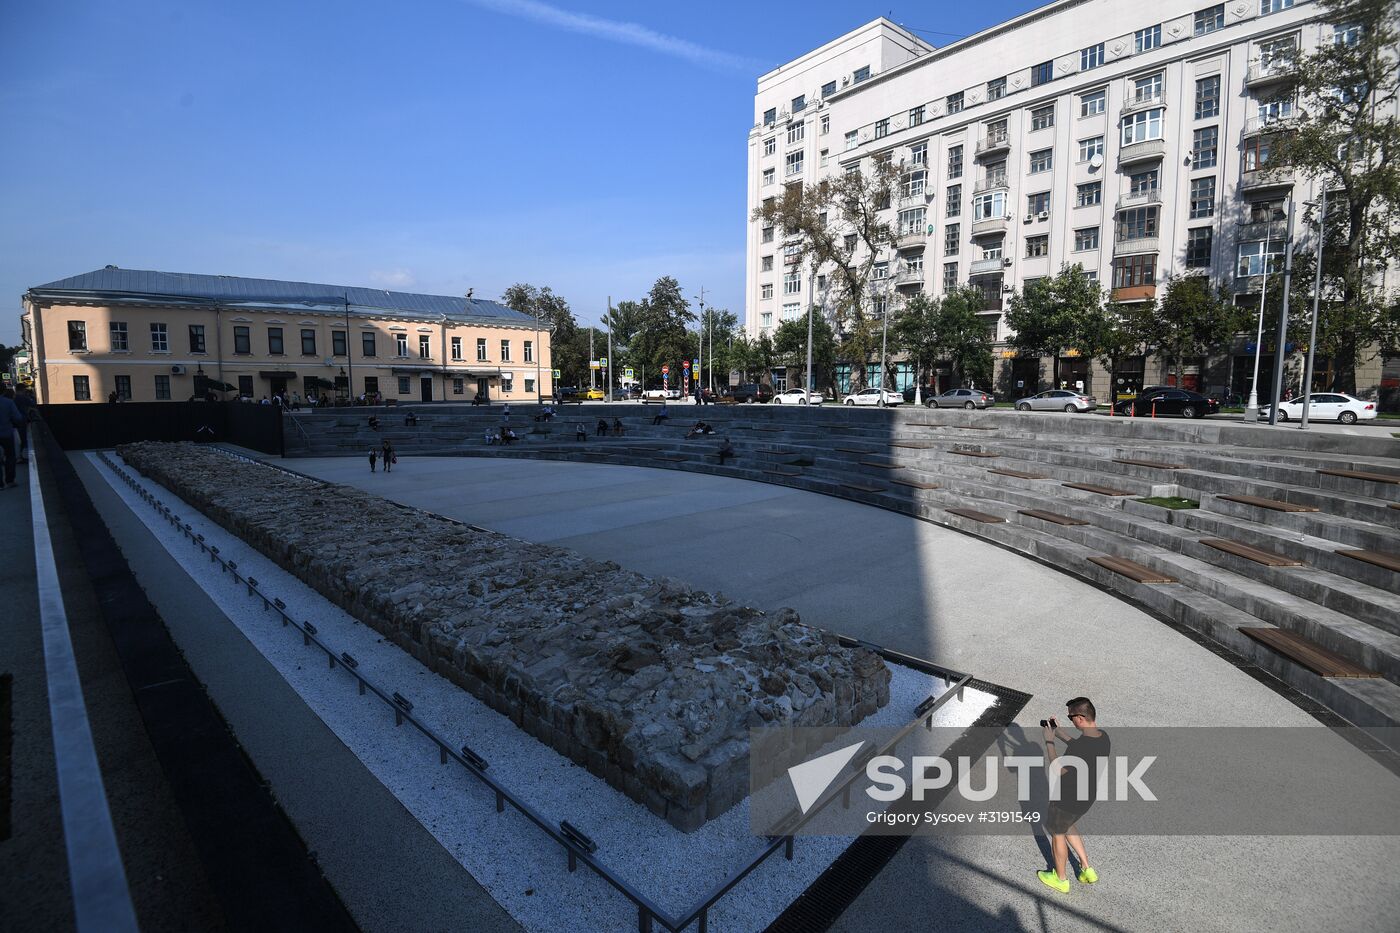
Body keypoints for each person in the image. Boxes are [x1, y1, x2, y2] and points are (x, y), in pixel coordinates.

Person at [1037, 696, 1107, 894]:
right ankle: (1086, 869)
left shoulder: (1081, 748)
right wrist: (1059, 733)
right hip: (1087, 797)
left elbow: (1057, 768)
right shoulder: (1102, 737)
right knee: (1068, 825)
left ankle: (1060, 879)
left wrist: (1049, 741)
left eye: (1070, 718)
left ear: (1080, 717)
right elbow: (1078, 745)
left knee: (1058, 832)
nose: (1070, 720)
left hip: (1067, 799)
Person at [0, 390, 25, 488]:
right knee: (10, 456)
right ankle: (10, 481)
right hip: (6, 434)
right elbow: (18, 417)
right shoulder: (8, 402)